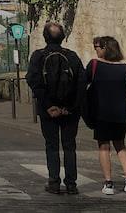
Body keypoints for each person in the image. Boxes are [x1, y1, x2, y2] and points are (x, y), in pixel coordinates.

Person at [27, 22, 87, 195]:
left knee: (52, 145)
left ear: (45, 37)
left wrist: (48, 105)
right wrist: (71, 107)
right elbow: (82, 82)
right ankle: (71, 184)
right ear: (62, 37)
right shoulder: (72, 56)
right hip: (70, 110)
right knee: (69, 146)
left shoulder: (38, 56)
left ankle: (54, 182)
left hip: (48, 110)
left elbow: (33, 81)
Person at [87, 36, 126, 195]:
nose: (95, 50)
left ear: (104, 48)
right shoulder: (124, 68)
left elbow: (83, 84)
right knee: (120, 145)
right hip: (121, 113)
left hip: (102, 112)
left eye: (97, 47)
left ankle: (108, 183)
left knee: (104, 146)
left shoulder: (94, 65)